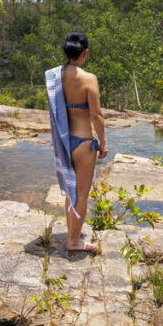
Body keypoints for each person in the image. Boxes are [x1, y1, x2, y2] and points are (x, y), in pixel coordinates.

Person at [45, 31, 108, 253]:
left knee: (70, 192)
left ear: (66, 51)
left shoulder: (54, 77)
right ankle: (74, 241)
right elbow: (96, 115)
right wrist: (103, 141)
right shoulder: (89, 79)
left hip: (64, 142)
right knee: (81, 194)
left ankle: (71, 235)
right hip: (83, 142)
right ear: (85, 53)